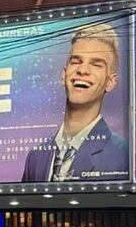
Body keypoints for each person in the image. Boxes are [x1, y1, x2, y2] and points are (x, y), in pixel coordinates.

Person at [22, 23, 128, 183]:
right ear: (63, 75)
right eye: (76, 61)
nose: (83, 70)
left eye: (96, 64)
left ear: (110, 82)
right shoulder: (35, 156)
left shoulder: (122, 153)